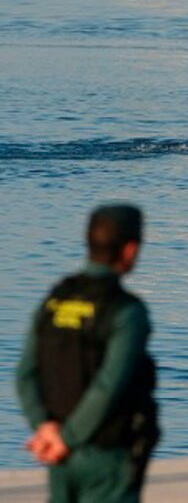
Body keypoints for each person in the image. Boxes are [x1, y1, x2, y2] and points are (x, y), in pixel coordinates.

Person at [16, 204, 159, 503]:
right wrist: (67, 438)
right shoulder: (126, 311)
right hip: (107, 455)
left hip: (59, 456)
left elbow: (25, 373)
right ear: (130, 250)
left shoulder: (54, 301)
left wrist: (44, 428)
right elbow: (109, 386)